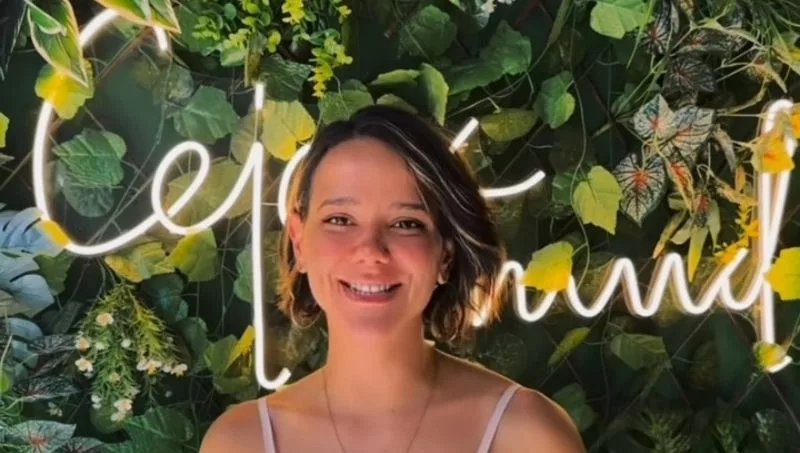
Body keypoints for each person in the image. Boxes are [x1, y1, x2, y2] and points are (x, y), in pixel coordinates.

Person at [200, 105, 585, 452]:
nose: (370, 250)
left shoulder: (528, 435)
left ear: (445, 255)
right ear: (300, 242)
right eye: (340, 220)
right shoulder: (241, 442)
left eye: (406, 223)